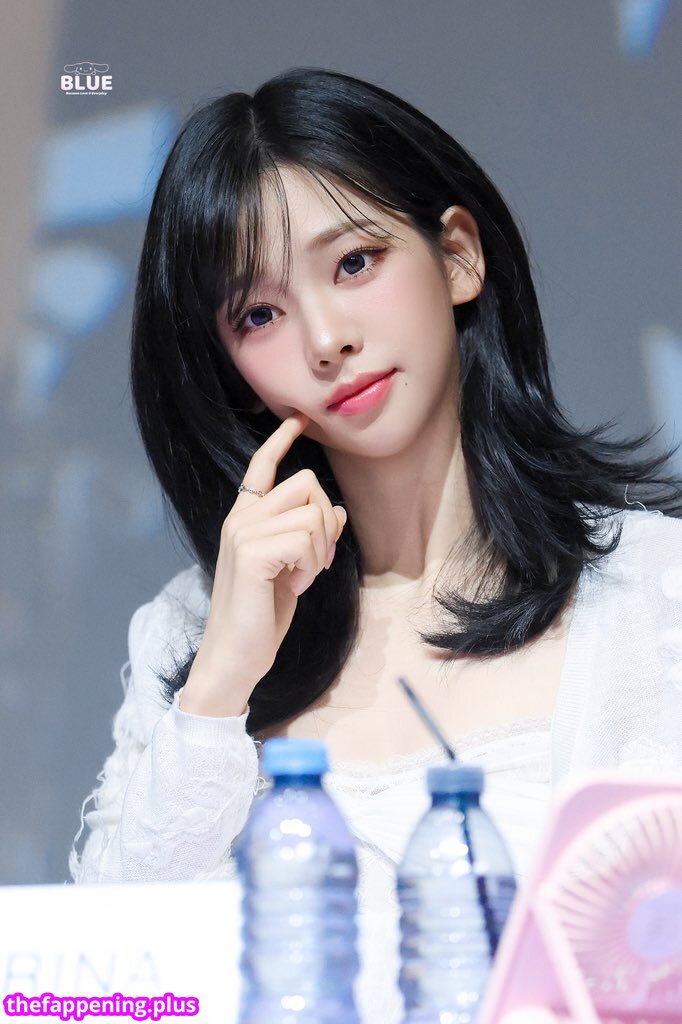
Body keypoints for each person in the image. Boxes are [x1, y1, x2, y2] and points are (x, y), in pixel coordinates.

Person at [70, 67, 682, 1021]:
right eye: (259, 314)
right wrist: (221, 681)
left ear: (458, 257)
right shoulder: (189, 636)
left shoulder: (654, 593)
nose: (324, 338)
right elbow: (104, 984)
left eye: (354, 263)